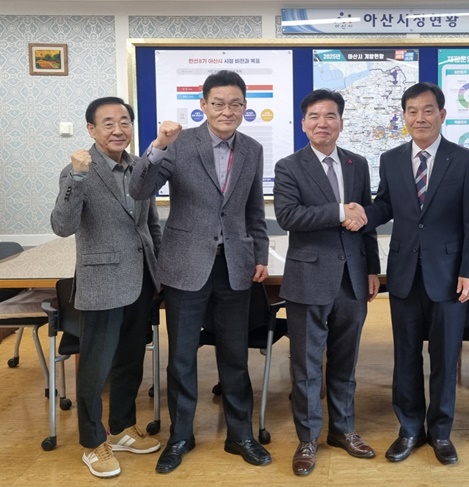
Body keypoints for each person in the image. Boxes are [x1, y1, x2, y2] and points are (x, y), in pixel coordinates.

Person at [129, 70, 271, 474]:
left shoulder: (253, 148)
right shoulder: (178, 143)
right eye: (219, 103)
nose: (228, 110)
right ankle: (180, 435)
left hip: (235, 266)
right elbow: (140, 190)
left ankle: (239, 434)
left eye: (236, 104)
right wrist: (158, 145)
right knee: (182, 358)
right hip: (185, 265)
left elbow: (254, 211)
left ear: (245, 107)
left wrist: (260, 254)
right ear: (204, 105)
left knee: (235, 356)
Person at [348, 81, 469, 466]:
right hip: (405, 273)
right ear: (404, 116)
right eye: (412, 111)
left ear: (442, 114)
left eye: (427, 110)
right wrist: (363, 215)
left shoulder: (464, 160)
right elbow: (386, 205)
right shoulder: (391, 159)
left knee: (444, 356)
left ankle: (440, 432)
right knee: (406, 355)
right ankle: (409, 429)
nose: (419, 117)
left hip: (449, 276)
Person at [50, 97, 162, 478]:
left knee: (131, 360)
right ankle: (92, 442)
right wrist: (77, 178)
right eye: (108, 123)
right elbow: (62, 226)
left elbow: (150, 224)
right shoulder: (77, 170)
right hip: (101, 283)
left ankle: (123, 428)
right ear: (91, 130)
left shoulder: (140, 168)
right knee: (96, 368)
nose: (118, 129)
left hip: (141, 279)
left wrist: (160, 269)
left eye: (124, 121)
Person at [273, 89, 381, 476]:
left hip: (352, 278)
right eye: (315, 117)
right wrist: (338, 211)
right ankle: (307, 438)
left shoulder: (357, 163)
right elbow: (288, 216)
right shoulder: (288, 166)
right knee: (306, 364)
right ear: (304, 124)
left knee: (345, 361)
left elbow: (364, 219)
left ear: (341, 122)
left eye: (330, 116)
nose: (323, 123)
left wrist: (371, 268)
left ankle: (343, 430)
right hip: (308, 277)